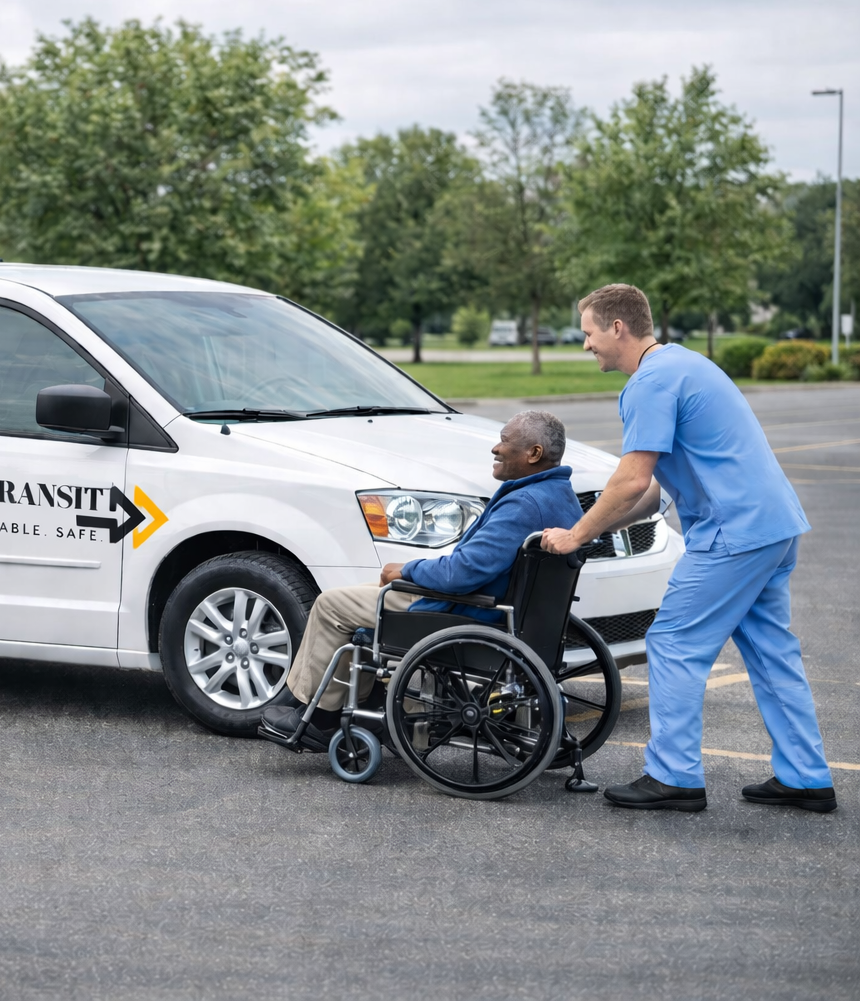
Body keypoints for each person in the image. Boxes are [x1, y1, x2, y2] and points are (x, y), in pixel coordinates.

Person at [540, 284, 836, 813]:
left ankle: (673, 776)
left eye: (588, 333)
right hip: (773, 527)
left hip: (733, 535)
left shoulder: (649, 383)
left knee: (673, 641)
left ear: (617, 328)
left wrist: (576, 536)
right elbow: (652, 490)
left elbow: (631, 480)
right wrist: (593, 526)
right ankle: (805, 776)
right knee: (772, 653)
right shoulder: (685, 365)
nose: (585, 345)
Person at [262, 410, 583, 752]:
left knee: (331, 606)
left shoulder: (525, 504)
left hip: (465, 609)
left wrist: (408, 569)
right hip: (506, 610)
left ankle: (319, 717)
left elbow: (464, 572)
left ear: (533, 454)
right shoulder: (560, 496)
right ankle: (344, 701)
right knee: (364, 600)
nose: (495, 448)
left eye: (504, 442)